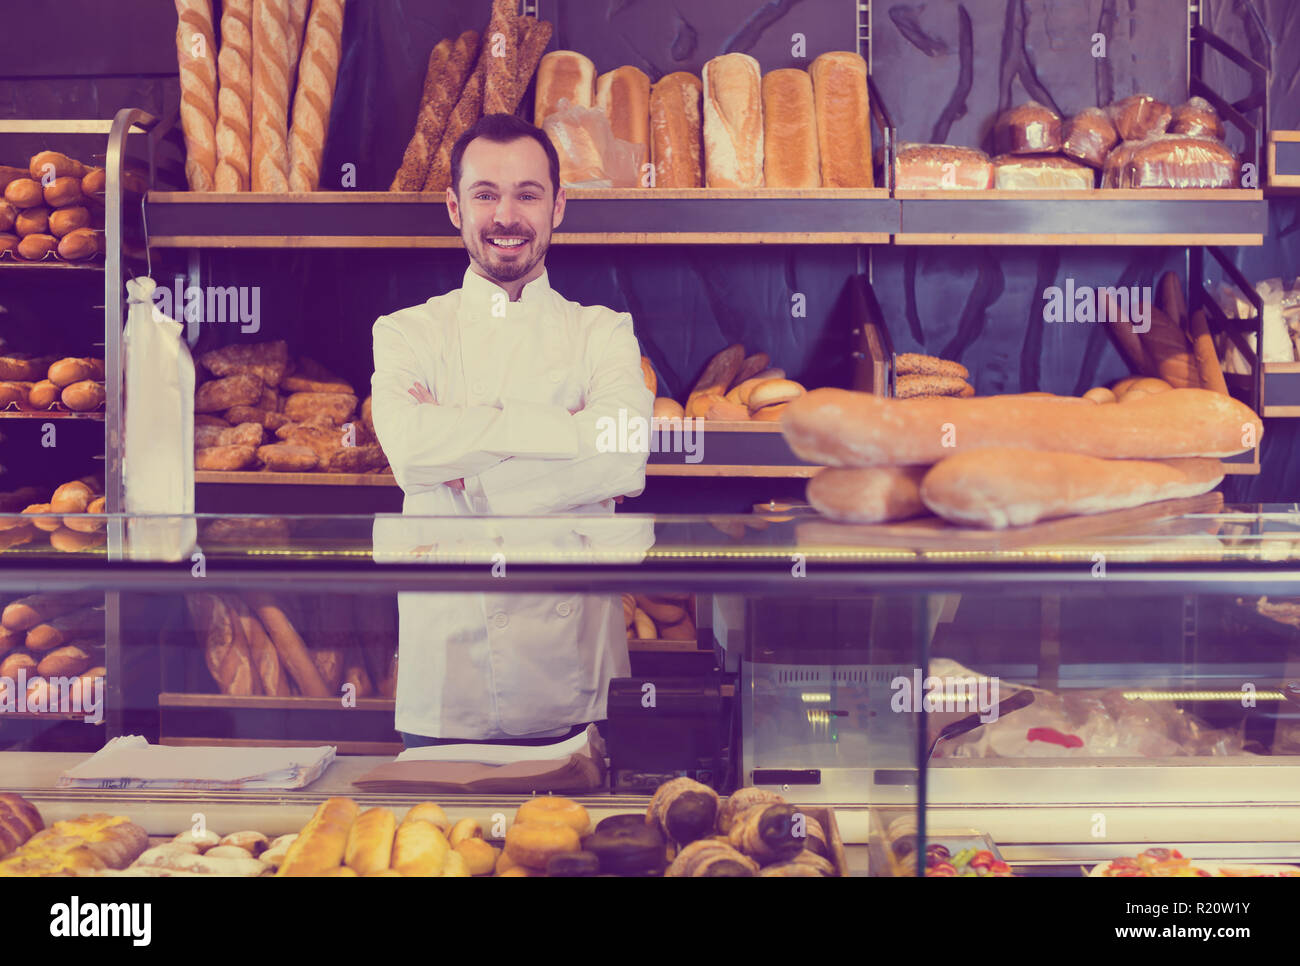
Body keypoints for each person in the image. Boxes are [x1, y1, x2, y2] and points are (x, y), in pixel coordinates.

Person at [370, 113, 653, 746]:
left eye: (527, 194)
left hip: (575, 676)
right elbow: (413, 454)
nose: (506, 215)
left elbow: (623, 454)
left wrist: (470, 465)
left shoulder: (603, 331)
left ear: (558, 207)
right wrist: (565, 434)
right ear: (454, 207)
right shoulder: (406, 331)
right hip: (449, 678)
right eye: (485, 194)